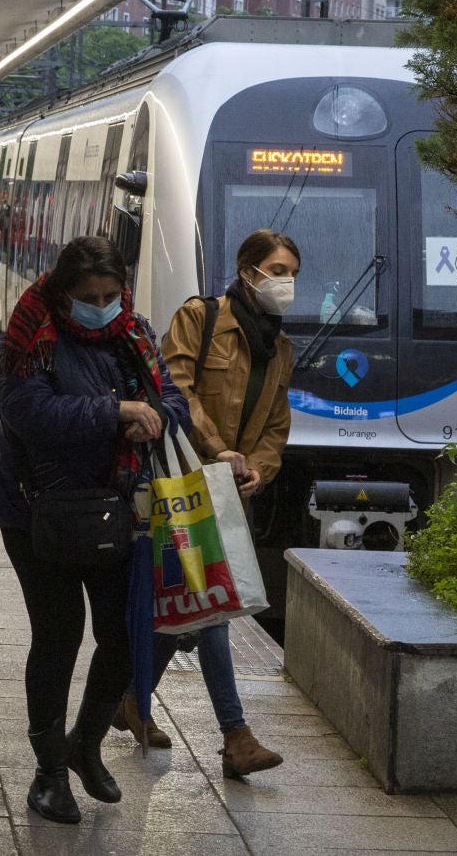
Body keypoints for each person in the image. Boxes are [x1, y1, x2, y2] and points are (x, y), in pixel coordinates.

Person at [0, 236, 190, 825]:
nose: (103, 305)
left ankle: (85, 743)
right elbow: (29, 414)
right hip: (35, 510)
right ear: (63, 293)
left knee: (124, 632)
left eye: (111, 294)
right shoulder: (29, 339)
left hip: (113, 506)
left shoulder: (134, 333)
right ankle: (48, 774)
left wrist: (154, 414)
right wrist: (116, 410)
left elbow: (173, 400)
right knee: (59, 632)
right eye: (89, 297)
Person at [112, 228, 300, 778]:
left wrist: (259, 467)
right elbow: (176, 388)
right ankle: (235, 735)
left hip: (228, 490)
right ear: (248, 271)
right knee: (210, 604)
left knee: (193, 606)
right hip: (185, 478)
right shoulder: (203, 317)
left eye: (292, 272)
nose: (286, 282)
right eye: (277, 270)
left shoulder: (281, 346)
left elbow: (277, 421)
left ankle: (130, 698)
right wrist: (221, 451)